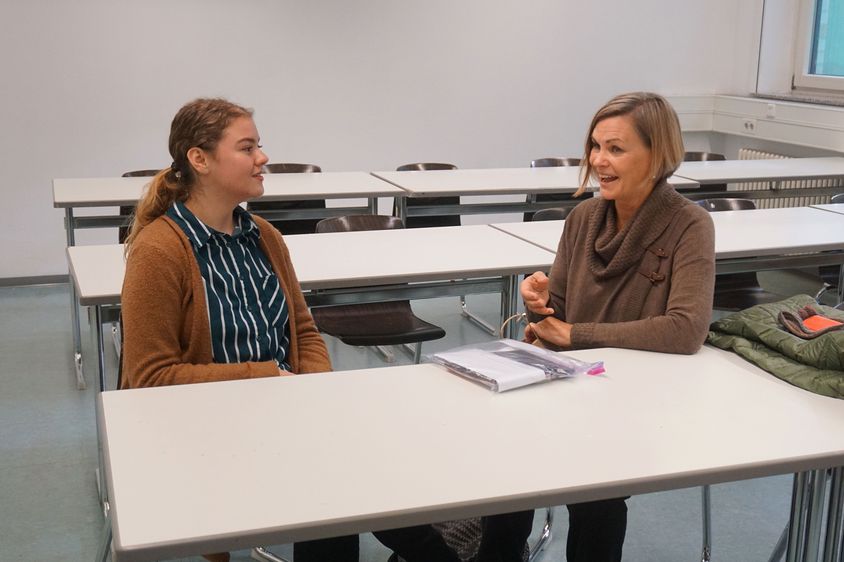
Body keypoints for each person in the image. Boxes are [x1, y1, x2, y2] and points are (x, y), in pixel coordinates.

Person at [121, 98, 479, 562]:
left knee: (362, 475)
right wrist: (267, 377)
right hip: (206, 432)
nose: (262, 158)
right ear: (199, 159)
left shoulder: (264, 236)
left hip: (285, 413)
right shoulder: (159, 252)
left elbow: (304, 331)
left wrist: (313, 394)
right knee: (346, 485)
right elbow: (149, 378)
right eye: (247, 148)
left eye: (259, 146)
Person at [520, 92, 715, 562]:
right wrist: (540, 306)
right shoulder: (583, 218)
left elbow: (686, 330)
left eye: (615, 149)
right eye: (594, 146)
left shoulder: (690, 225)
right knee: (510, 471)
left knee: (596, 493)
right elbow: (560, 313)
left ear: (658, 155)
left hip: (642, 394)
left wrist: (576, 335)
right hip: (575, 381)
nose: (598, 161)